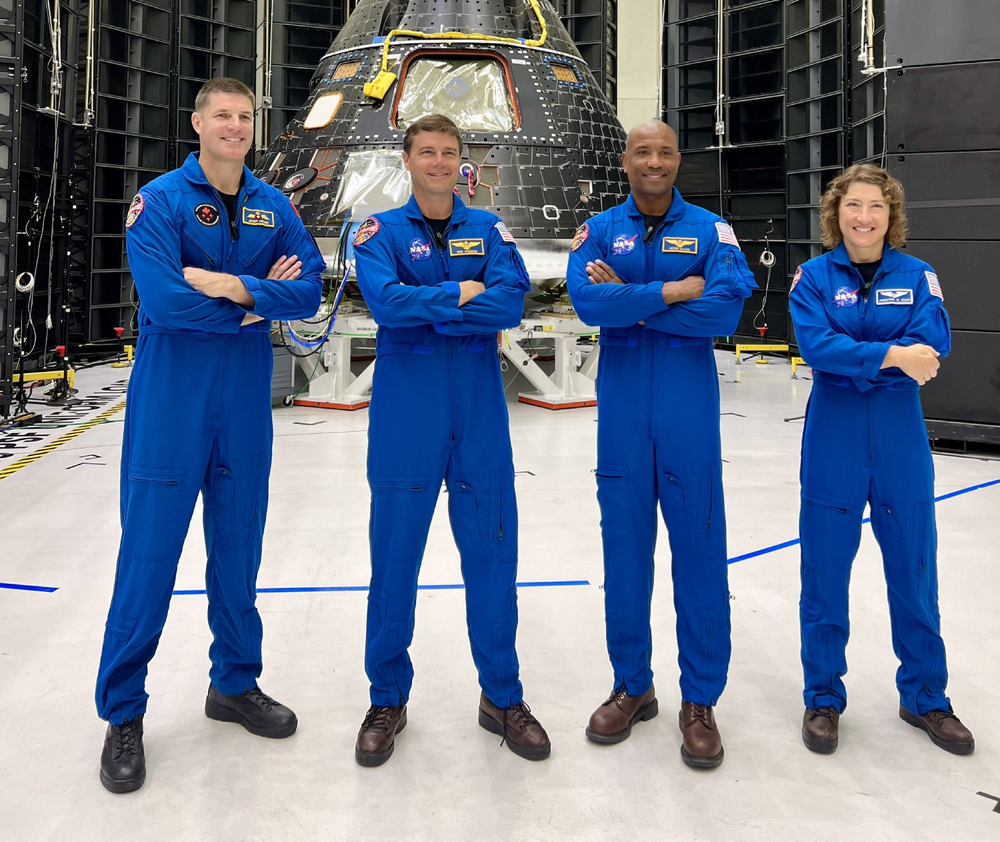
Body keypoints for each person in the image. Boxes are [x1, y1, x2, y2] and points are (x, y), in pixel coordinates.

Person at [95, 77, 326, 793]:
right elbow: (161, 298)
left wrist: (228, 287)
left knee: (238, 550)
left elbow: (311, 287)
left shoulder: (273, 205)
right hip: (172, 401)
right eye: (221, 114)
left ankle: (234, 683)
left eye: (245, 116)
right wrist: (257, 299)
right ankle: (123, 712)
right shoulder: (160, 201)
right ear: (197, 123)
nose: (234, 125)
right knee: (149, 557)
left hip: (243, 404)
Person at [351, 113, 550, 766]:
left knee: (494, 557)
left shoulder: (488, 228)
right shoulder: (378, 231)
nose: (438, 162)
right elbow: (384, 305)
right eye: (426, 151)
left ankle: (502, 695)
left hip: (479, 418)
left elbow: (509, 303)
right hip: (407, 416)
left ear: (462, 162)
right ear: (406, 159)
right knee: (395, 561)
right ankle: (387, 697)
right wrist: (462, 295)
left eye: (448, 152)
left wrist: (433, 301)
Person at [566, 120, 756, 769]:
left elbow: (725, 310)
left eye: (664, 151)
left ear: (678, 160)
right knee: (625, 554)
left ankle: (700, 700)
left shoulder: (711, 231)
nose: (653, 161)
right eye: (642, 151)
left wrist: (632, 301)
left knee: (701, 553)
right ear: (625, 160)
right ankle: (632, 684)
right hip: (620, 418)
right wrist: (672, 291)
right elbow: (589, 304)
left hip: (687, 416)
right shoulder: (596, 230)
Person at [788, 163, 974, 756]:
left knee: (915, 567)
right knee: (823, 569)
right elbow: (817, 346)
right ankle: (823, 696)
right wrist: (895, 354)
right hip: (834, 433)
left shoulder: (920, 276)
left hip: (899, 435)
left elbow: (935, 341)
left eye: (875, 206)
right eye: (852, 205)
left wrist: (866, 356)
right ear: (834, 214)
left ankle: (925, 695)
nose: (863, 217)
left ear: (891, 216)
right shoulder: (812, 278)